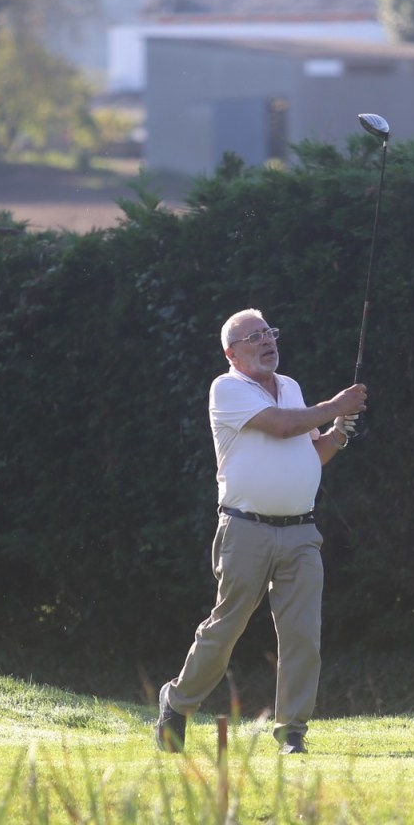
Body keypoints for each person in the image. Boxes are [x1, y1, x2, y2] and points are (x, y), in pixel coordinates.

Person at [155, 308, 367, 755]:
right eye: (254, 337)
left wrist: (337, 433)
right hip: (245, 529)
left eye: (269, 332)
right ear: (232, 354)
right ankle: (176, 701)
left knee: (302, 634)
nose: (267, 340)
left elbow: (311, 451)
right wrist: (337, 405)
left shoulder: (290, 386)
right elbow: (283, 425)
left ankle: (293, 732)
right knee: (226, 627)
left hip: (301, 532)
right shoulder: (226, 387)